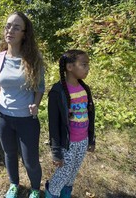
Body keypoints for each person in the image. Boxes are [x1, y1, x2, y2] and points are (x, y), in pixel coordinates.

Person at [0, 11, 45, 198]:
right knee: (9, 153)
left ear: (24, 33)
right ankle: (14, 185)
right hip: (2, 117)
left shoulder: (34, 59)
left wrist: (35, 105)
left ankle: (35, 189)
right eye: (8, 26)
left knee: (31, 161)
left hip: (26, 119)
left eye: (16, 27)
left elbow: (40, 88)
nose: (10, 30)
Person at [45, 49, 96, 198]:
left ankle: (65, 194)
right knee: (63, 174)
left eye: (88, 65)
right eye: (84, 64)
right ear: (69, 67)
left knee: (72, 173)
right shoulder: (57, 92)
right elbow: (53, 125)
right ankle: (51, 193)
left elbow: (90, 116)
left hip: (82, 141)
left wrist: (91, 139)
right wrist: (56, 152)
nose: (87, 68)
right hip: (66, 144)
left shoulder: (85, 88)